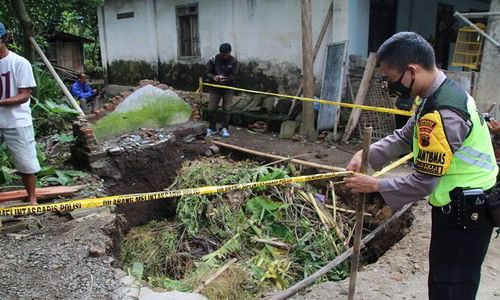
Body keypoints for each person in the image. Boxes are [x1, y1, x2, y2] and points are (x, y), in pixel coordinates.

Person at [345, 32, 497, 300]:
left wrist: (376, 185)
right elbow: (406, 135)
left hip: (467, 213)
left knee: (451, 288)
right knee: (442, 281)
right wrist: (366, 155)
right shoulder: (434, 95)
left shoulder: (444, 112)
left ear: (411, 71)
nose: (390, 88)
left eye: (391, 80)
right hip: (457, 206)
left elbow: (423, 181)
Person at [0, 22, 40, 205]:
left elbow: (24, 95)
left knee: (26, 163)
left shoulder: (19, 63)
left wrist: (1, 102)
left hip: (17, 120)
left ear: (5, 39)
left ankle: (32, 198)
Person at [205, 43, 239, 138]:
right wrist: (213, 77)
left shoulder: (234, 62)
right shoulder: (214, 59)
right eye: (222, 54)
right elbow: (207, 72)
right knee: (211, 108)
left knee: (227, 108)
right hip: (215, 87)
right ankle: (212, 127)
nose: (224, 56)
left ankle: (224, 128)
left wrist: (225, 79)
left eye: (226, 54)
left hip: (228, 88)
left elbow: (233, 75)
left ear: (229, 52)